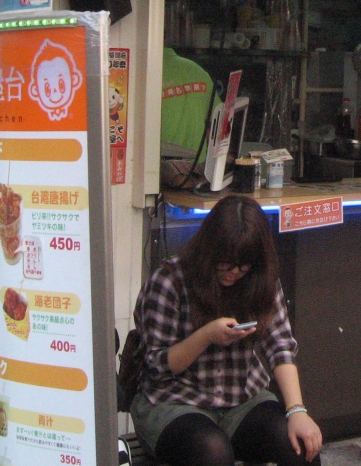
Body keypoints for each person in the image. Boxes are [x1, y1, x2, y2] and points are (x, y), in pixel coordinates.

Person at [132, 195, 322, 466]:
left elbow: (280, 347)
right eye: (225, 262)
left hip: (242, 398)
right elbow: (158, 366)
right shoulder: (169, 280)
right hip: (173, 401)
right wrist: (205, 336)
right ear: (208, 249)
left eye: (244, 264)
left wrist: (297, 411)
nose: (234, 272)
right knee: (212, 452)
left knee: (300, 446)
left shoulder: (260, 279)